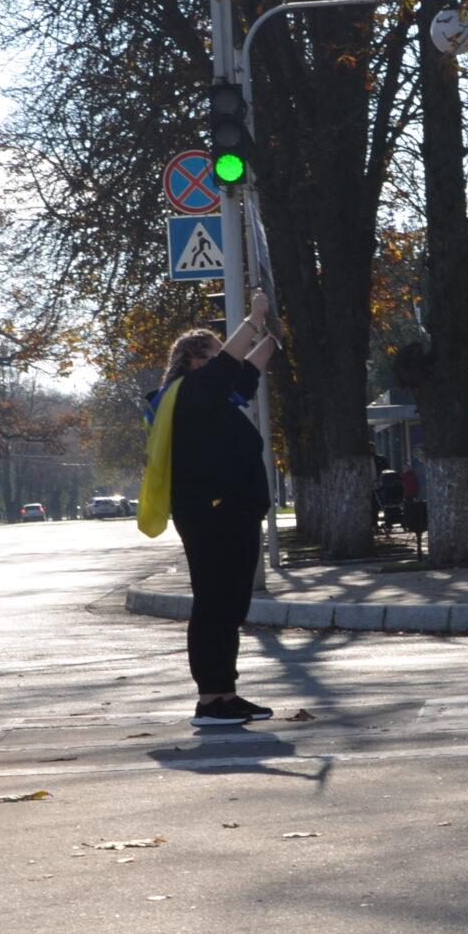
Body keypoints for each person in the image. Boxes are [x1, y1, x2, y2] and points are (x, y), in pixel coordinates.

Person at [139, 289, 281, 727]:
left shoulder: (209, 397)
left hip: (231, 510)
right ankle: (210, 699)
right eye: (217, 353)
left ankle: (225, 694)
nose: (227, 358)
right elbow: (230, 365)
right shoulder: (187, 392)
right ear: (196, 361)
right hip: (211, 511)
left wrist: (272, 338)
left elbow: (247, 371)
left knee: (230, 604)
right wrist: (254, 319)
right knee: (215, 603)